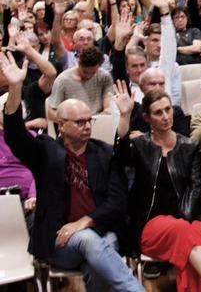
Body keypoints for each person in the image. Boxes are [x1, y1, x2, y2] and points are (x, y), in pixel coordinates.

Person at [1, 52, 144, 292]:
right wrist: (16, 88)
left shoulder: (105, 152)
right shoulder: (45, 152)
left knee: (98, 256)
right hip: (60, 241)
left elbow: (118, 201)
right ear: (61, 125)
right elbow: (15, 136)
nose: (87, 126)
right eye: (80, 122)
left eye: (89, 120)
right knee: (91, 241)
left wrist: (85, 221)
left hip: (98, 230)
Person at [113, 85, 201, 292]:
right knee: (187, 236)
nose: (166, 116)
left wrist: (183, 219)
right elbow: (120, 156)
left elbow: (194, 188)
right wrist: (124, 116)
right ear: (147, 118)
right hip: (151, 224)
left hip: (190, 218)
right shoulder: (140, 145)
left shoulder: (189, 146)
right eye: (158, 112)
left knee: (190, 236)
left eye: (168, 110)